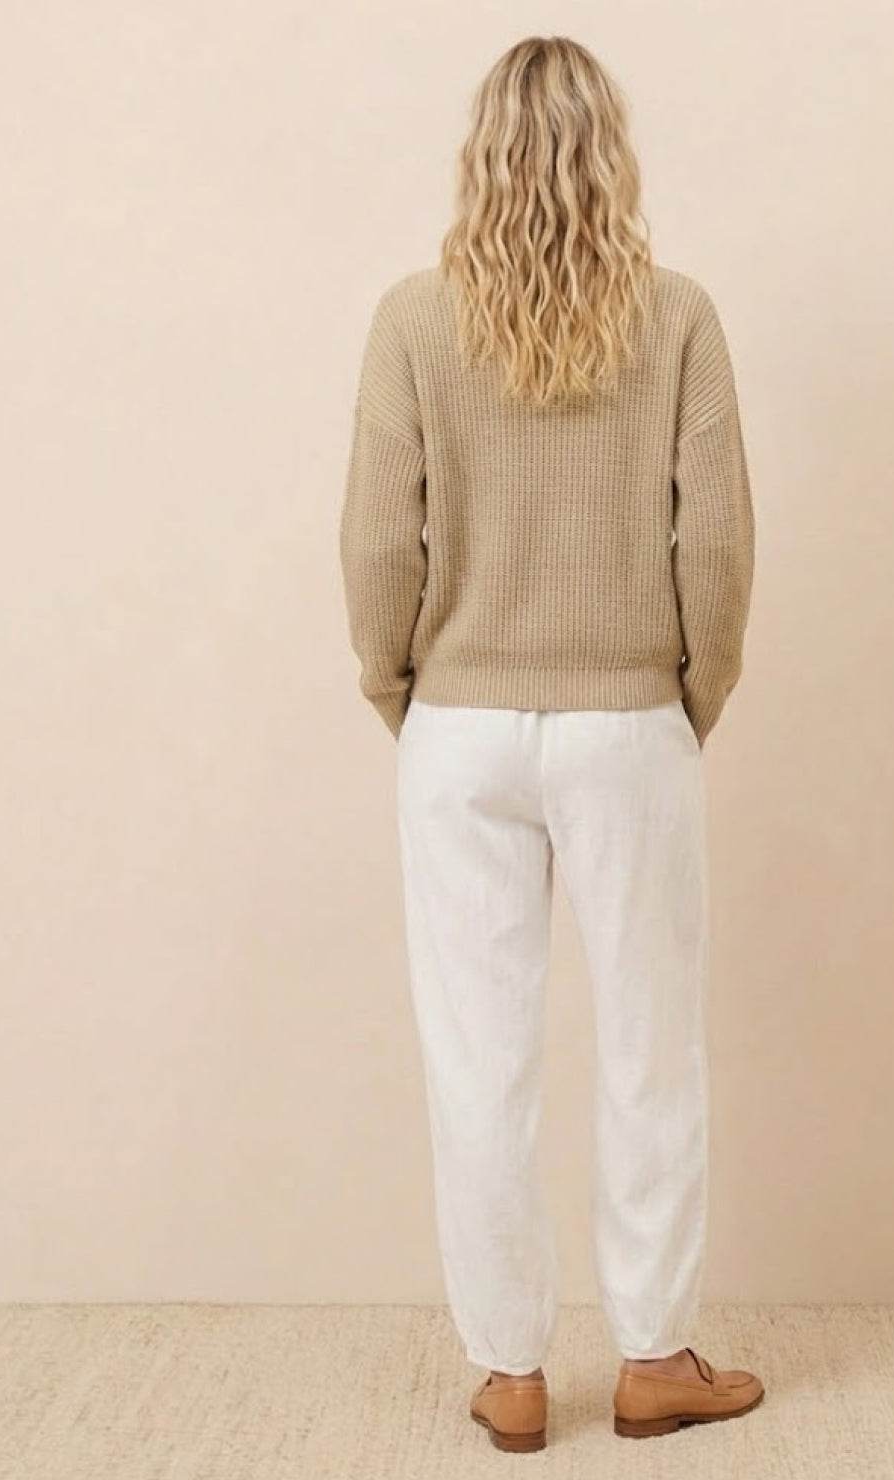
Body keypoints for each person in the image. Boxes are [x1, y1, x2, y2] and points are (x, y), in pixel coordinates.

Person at [339, 34, 761, 1453]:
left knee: (478, 1058)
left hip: (458, 730)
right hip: (629, 724)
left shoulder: (412, 318)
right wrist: (687, 695)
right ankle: (654, 1359)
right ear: (610, 154)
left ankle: (511, 1374)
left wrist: (401, 690)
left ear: (482, 156)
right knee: (650, 1046)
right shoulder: (678, 315)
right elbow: (716, 541)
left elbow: (375, 542)